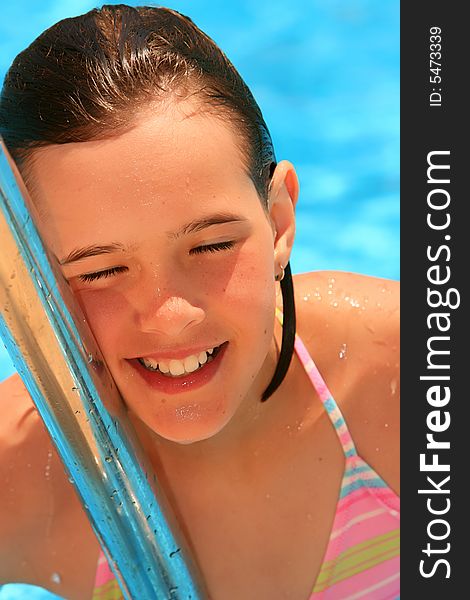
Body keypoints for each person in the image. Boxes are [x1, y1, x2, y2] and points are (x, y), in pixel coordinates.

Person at [0, 5, 399, 599]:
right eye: (101, 269)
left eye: (211, 244)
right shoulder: (31, 474)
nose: (170, 316)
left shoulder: (399, 373)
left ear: (279, 218)